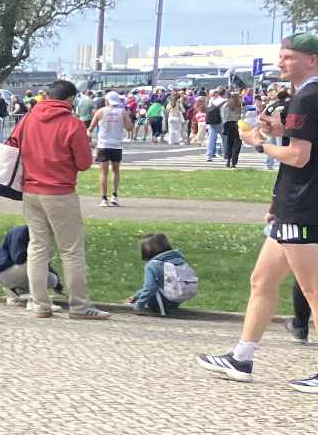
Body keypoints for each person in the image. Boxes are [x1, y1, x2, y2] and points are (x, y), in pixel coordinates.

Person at [197, 33, 318, 389]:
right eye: (280, 56)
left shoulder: (308, 96)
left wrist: (260, 143)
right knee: (262, 280)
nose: (281, 62)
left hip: (304, 205)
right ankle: (242, 357)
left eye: (288, 57)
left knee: (313, 289)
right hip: (291, 203)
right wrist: (280, 130)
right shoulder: (304, 96)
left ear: (311, 60)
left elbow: (299, 157)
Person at [16, 79, 109, 321]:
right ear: (70, 99)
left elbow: (15, 146)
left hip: (31, 189)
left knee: (37, 248)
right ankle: (79, 306)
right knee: (71, 251)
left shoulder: (28, 118)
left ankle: (39, 303)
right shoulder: (72, 124)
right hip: (60, 192)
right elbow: (84, 163)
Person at [0, 224, 61, 307]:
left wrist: (57, 280)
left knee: (53, 279)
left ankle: (21, 293)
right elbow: (18, 258)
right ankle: (35, 300)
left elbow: (43, 265)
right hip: (4, 274)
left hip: (20, 270)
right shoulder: (21, 231)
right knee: (35, 262)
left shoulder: (40, 238)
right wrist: (35, 251)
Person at [132, 232, 197, 315]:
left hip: (160, 302)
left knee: (152, 289)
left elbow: (150, 288)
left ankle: (159, 309)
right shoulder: (179, 260)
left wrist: (139, 305)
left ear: (146, 251)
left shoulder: (152, 265)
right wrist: (136, 296)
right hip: (178, 298)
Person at [88, 92, 127, 207]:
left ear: (106, 100)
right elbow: (130, 127)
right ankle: (114, 196)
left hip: (103, 144)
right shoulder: (122, 112)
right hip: (116, 144)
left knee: (103, 173)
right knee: (116, 171)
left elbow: (91, 128)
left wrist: (89, 141)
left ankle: (104, 198)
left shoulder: (100, 112)